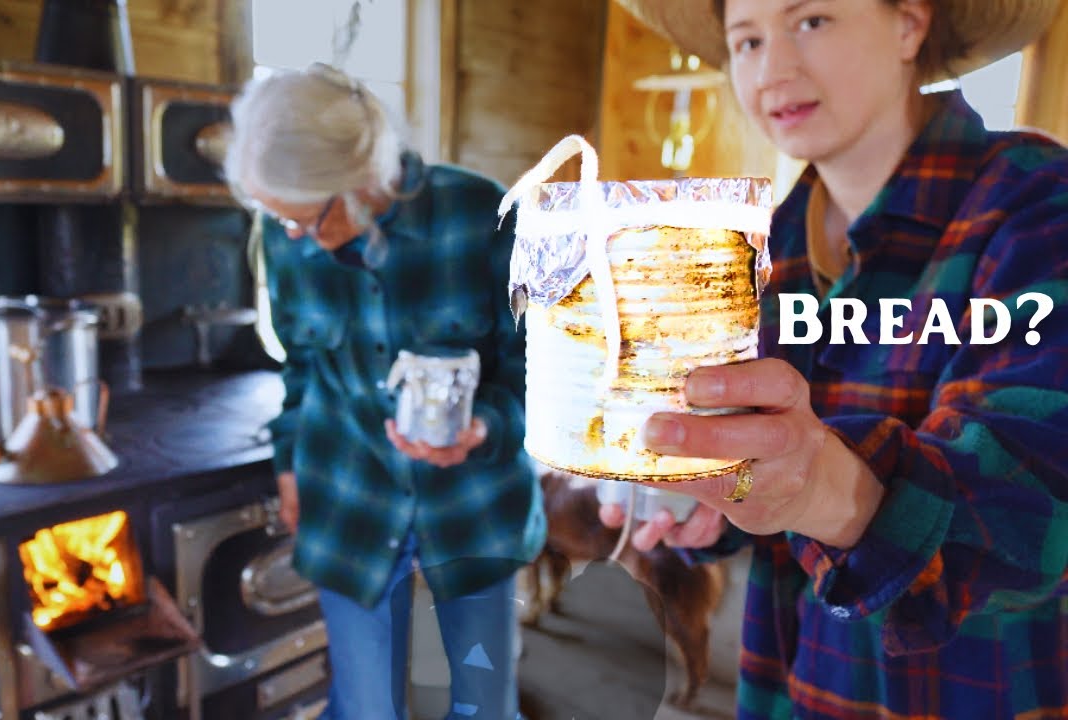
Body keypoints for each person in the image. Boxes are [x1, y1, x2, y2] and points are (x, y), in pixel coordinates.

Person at [599, 0, 1068, 717]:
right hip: (788, 683)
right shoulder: (763, 244)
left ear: (909, 26)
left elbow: (1036, 507)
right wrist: (711, 504)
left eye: (811, 20)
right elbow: (752, 460)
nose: (773, 69)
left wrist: (823, 487)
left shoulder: (1039, 202)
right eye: (747, 40)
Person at [224, 63, 545, 720]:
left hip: (474, 509)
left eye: (306, 218)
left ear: (364, 180)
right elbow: (301, 370)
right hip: (349, 499)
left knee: (483, 705)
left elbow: (538, 370)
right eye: (275, 217)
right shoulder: (285, 236)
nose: (292, 238)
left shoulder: (484, 216)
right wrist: (288, 463)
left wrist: (485, 427)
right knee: (367, 709)